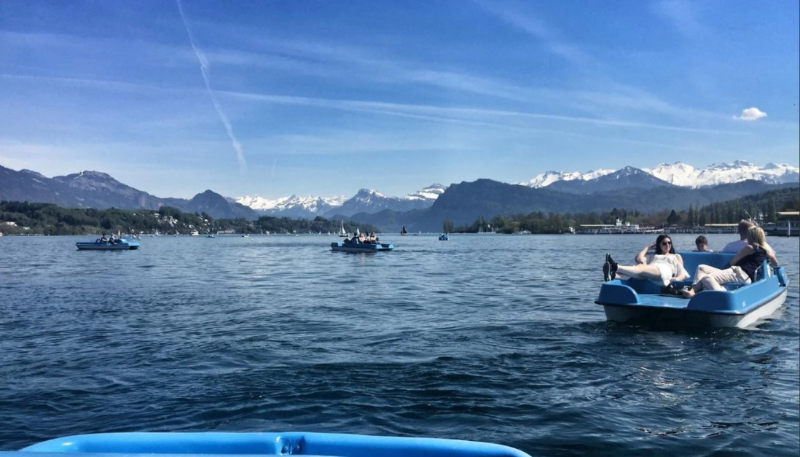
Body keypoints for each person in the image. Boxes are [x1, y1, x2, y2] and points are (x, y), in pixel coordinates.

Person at [683, 226, 779, 298]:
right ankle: (693, 291)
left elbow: (733, 261)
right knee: (701, 267)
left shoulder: (749, 248)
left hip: (740, 274)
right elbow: (776, 264)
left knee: (706, 278)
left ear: (751, 237)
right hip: (739, 274)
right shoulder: (766, 251)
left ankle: (723, 294)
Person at [603, 234, 689, 285]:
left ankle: (616, 266)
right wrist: (647, 247)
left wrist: (676, 279)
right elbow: (639, 259)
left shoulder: (676, 256)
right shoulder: (653, 255)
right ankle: (613, 275)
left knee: (642, 267)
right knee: (640, 268)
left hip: (665, 270)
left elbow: (682, 273)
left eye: (669, 243)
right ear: (659, 245)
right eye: (664, 243)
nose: (667, 245)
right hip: (652, 269)